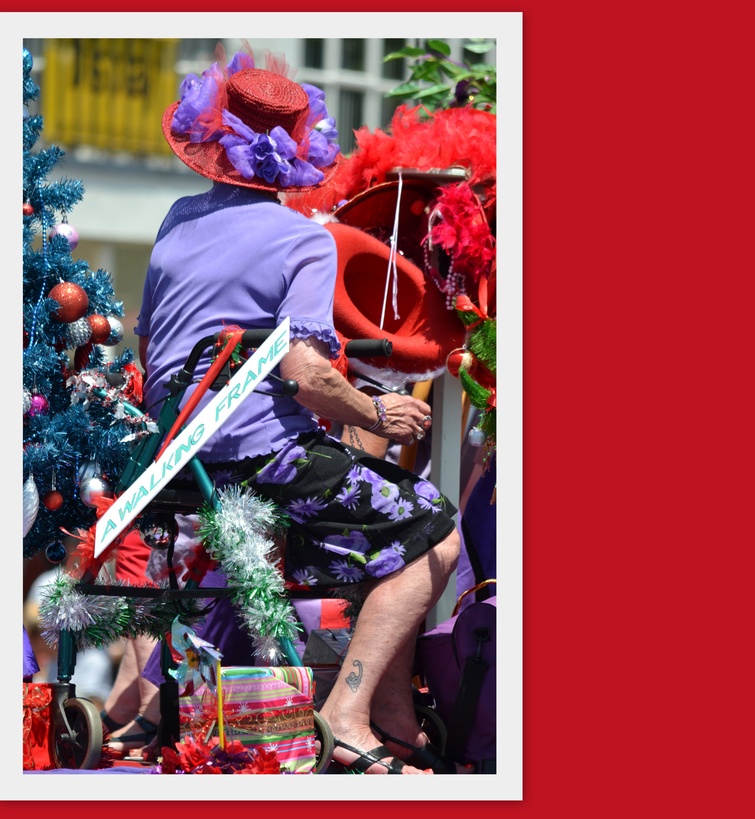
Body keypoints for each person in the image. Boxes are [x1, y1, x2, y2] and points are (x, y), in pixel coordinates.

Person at [134, 49, 462, 774]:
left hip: (182, 458)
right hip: (262, 457)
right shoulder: (301, 239)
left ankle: (394, 715)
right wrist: (378, 413)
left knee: (397, 526)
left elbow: (152, 342)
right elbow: (308, 375)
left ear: (213, 132)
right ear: (297, 146)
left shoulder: (177, 218)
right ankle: (348, 714)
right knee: (436, 529)